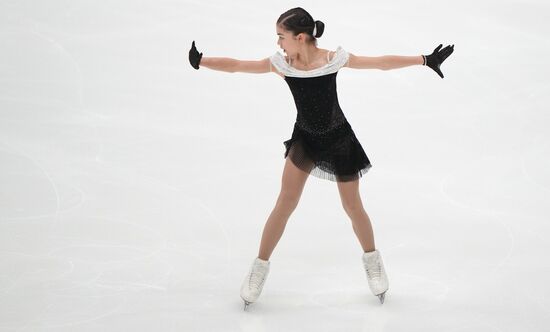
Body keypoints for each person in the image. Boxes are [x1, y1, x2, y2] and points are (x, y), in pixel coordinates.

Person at [188, 7, 454, 310]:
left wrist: (424, 60)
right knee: (284, 203)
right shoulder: (282, 64)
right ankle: (259, 268)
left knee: (353, 207)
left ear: (300, 37)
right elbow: (238, 66)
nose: (278, 44)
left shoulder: (332, 60)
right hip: (305, 140)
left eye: (281, 37)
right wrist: (201, 61)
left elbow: (379, 63)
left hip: (340, 140)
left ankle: (373, 262)